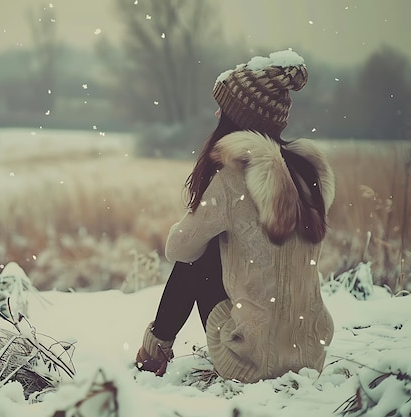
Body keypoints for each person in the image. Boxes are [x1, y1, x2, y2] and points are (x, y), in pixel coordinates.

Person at [135, 50, 336, 383]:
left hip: (253, 360)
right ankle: (158, 351)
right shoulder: (306, 172)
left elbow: (178, 249)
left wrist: (202, 220)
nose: (216, 112)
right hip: (310, 353)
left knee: (196, 258)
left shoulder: (233, 175)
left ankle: (153, 353)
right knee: (220, 248)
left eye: (223, 109)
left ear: (237, 119)